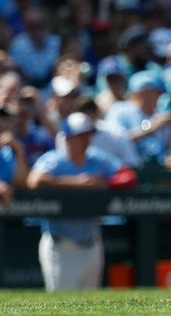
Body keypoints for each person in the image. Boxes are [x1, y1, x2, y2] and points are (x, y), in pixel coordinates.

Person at [27, 112, 120, 291]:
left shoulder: (96, 158)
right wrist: (76, 182)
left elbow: (126, 174)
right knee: (62, 305)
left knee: (90, 306)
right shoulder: (55, 159)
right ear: (68, 138)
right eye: (80, 136)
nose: (85, 141)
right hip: (61, 244)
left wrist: (105, 182)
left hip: (92, 240)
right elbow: (34, 180)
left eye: (88, 135)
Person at [0, 105, 28, 204]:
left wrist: (19, 149)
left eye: (8, 119)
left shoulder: (13, 148)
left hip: (12, 210)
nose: (4, 122)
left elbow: (21, 183)